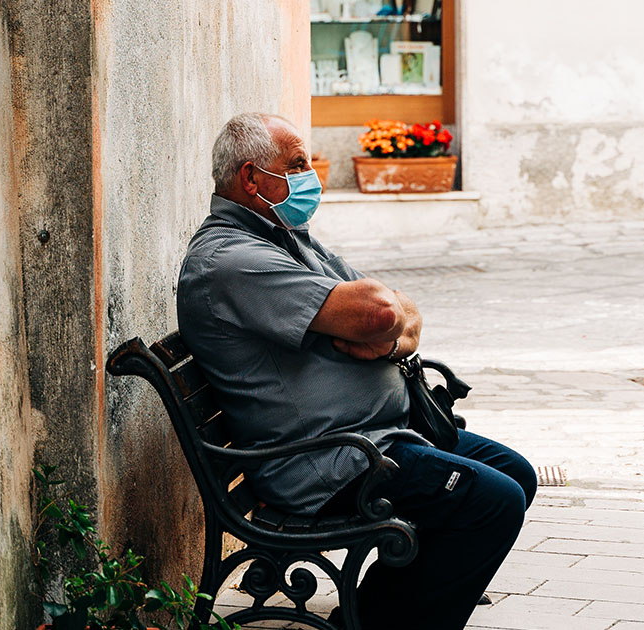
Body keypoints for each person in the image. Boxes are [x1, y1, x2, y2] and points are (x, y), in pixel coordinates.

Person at [176, 112, 536, 630]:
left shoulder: (287, 237)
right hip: (325, 460)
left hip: (377, 436)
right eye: (297, 165)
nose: (311, 177)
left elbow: (398, 309)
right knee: (492, 502)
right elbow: (382, 311)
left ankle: (375, 612)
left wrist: (387, 338)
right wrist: (385, 326)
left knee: (516, 474)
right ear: (251, 178)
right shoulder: (232, 260)